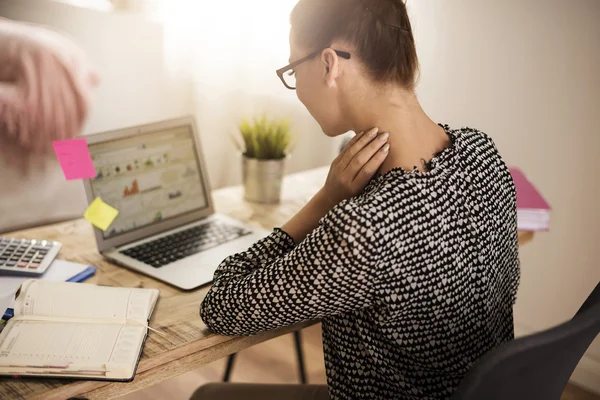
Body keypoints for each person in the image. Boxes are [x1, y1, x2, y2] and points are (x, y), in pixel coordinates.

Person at [196, 0, 519, 399]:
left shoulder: (366, 229)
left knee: (206, 396)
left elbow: (221, 305)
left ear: (329, 64)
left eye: (294, 69)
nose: (296, 86)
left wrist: (325, 199)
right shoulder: (482, 153)